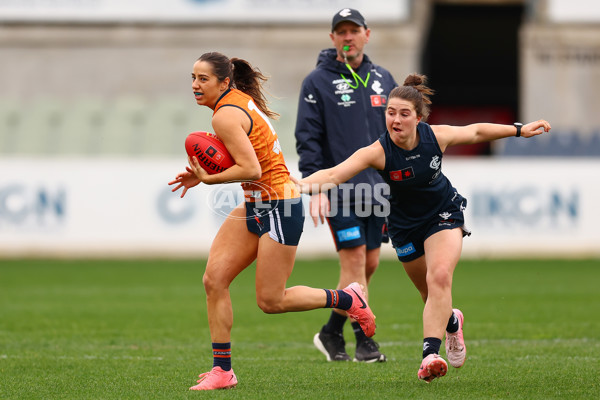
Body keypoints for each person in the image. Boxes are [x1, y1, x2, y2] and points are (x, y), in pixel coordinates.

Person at [296, 73, 551, 382]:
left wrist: (520, 130)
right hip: (403, 226)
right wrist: (294, 184)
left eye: (404, 113)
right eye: (391, 112)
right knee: (428, 291)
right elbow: (334, 175)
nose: (396, 119)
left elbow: (475, 131)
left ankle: (430, 355)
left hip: (443, 213)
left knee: (440, 275)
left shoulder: (434, 136)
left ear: (418, 118)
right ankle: (452, 323)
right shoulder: (377, 152)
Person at [168, 52, 377, 391]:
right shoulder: (234, 104)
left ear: (224, 83)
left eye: (203, 79)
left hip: (280, 205)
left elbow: (251, 169)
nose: (195, 85)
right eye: (193, 77)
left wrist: (208, 179)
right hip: (256, 202)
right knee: (214, 279)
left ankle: (347, 299)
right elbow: (246, 165)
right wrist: (204, 174)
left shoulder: (225, 115)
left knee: (271, 301)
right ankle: (223, 371)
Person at [294, 8, 397, 363]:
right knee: (354, 264)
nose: (348, 37)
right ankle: (365, 343)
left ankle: (330, 333)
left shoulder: (384, 78)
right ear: (333, 38)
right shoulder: (317, 82)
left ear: (367, 34)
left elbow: (396, 137)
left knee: (369, 266)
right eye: (341, 32)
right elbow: (308, 139)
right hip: (340, 191)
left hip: (379, 192)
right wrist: (317, 188)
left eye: (354, 31)